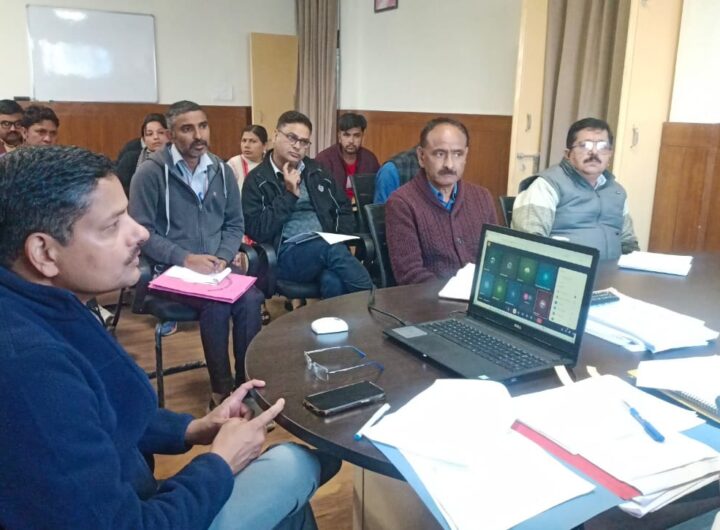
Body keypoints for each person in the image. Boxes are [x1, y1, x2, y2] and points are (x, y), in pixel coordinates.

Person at [0, 145, 339, 529]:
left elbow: (107, 414)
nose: (140, 233)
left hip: (133, 495)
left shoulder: (54, 305)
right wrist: (221, 462)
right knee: (294, 464)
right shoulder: (28, 367)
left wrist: (192, 428)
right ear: (44, 252)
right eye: (113, 225)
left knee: (289, 500)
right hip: (139, 514)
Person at [129, 100, 264, 408]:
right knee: (217, 304)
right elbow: (142, 232)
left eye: (203, 126)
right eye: (187, 129)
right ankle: (221, 391)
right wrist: (185, 258)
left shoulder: (221, 170)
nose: (198, 135)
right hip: (172, 270)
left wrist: (223, 256)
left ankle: (246, 387)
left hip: (217, 267)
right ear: (170, 134)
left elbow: (235, 223)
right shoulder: (150, 174)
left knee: (252, 299)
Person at [243, 110, 373, 298]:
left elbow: (343, 207)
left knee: (333, 281)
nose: (297, 146)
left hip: (324, 251)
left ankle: (336, 318)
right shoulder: (257, 180)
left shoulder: (317, 171)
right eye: (291, 138)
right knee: (329, 248)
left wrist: (338, 237)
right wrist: (289, 195)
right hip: (283, 256)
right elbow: (257, 229)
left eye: (304, 142)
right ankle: (376, 303)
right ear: (276, 135)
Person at [386, 117, 498, 285]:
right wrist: (456, 291)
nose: (449, 164)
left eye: (457, 154)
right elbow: (409, 274)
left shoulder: (482, 197)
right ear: (421, 156)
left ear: (466, 156)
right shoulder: (402, 203)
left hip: (480, 296)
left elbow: (494, 259)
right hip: (430, 299)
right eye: (439, 154)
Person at [511, 117, 640, 260]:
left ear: (609, 155)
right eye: (584, 146)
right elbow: (529, 243)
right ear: (567, 154)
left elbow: (629, 243)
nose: (594, 153)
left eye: (602, 147)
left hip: (613, 271)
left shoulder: (616, 192)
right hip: (564, 270)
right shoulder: (547, 185)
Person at [315, 112, 380, 200]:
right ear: (339, 136)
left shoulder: (370, 160)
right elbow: (319, 194)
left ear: (362, 136)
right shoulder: (324, 159)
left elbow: (377, 191)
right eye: (346, 135)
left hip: (362, 207)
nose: (351, 141)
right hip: (334, 207)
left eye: (356, 136)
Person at [116, 113, 169, 196]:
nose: (156, 137)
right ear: (144, 139)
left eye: (161, 132)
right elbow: (119, 190)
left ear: (169, 136)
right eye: (150, 134)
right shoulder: (130, 159)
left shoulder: (178, 160)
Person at [227, 124, 268, 192]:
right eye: (244, 140)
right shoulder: (233, 164)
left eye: (253, 141)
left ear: (265, 145)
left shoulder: (270, 163)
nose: (246, 145)